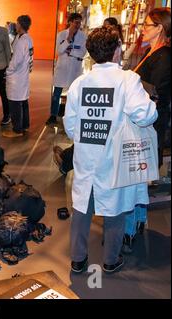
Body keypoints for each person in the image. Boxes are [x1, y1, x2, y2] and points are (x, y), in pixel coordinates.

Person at [64, 26, 157, 274]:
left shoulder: (79, 84)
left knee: (82, 206)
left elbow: (70, 126)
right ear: (117, 50)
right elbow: (146, 115)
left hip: (86, 156)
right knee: (115, 209)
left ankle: (78, 259)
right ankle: (110, 260)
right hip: (115, 157)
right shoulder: (128, 80)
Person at [123, 7, 171, 253]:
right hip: (142, 123)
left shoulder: (164, 57)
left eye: (148, 25)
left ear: (160, 28)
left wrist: (128, 80)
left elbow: (157, 93)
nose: (143, 28)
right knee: (138, 179)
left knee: (134, 178)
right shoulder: (149, 51)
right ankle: (138, 222)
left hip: (148, 126)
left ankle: (130, 229)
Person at [46, 13, 87, 125]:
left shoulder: (83, 36)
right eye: (76, 22)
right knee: (57, 93)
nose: (78, 25)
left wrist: (70, 52)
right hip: (62, 68)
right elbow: (59, 51)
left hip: (75, 69)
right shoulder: (61, 35)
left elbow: (83, 52)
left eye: (80, 22)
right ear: (70, 22)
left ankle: (70, 115)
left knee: (73, 93)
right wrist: (68, 39)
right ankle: (53, 115)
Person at [3, 15, 34, 138]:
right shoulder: (25, 38)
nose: (15, 25)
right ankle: (25, 125)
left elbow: (16, 60)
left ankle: (17, 130)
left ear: (20, 25)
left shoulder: (22, 41)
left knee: (15, 103)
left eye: (16, 23)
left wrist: (8, 71)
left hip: (17, 76)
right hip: (23, 75)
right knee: (23, 101)